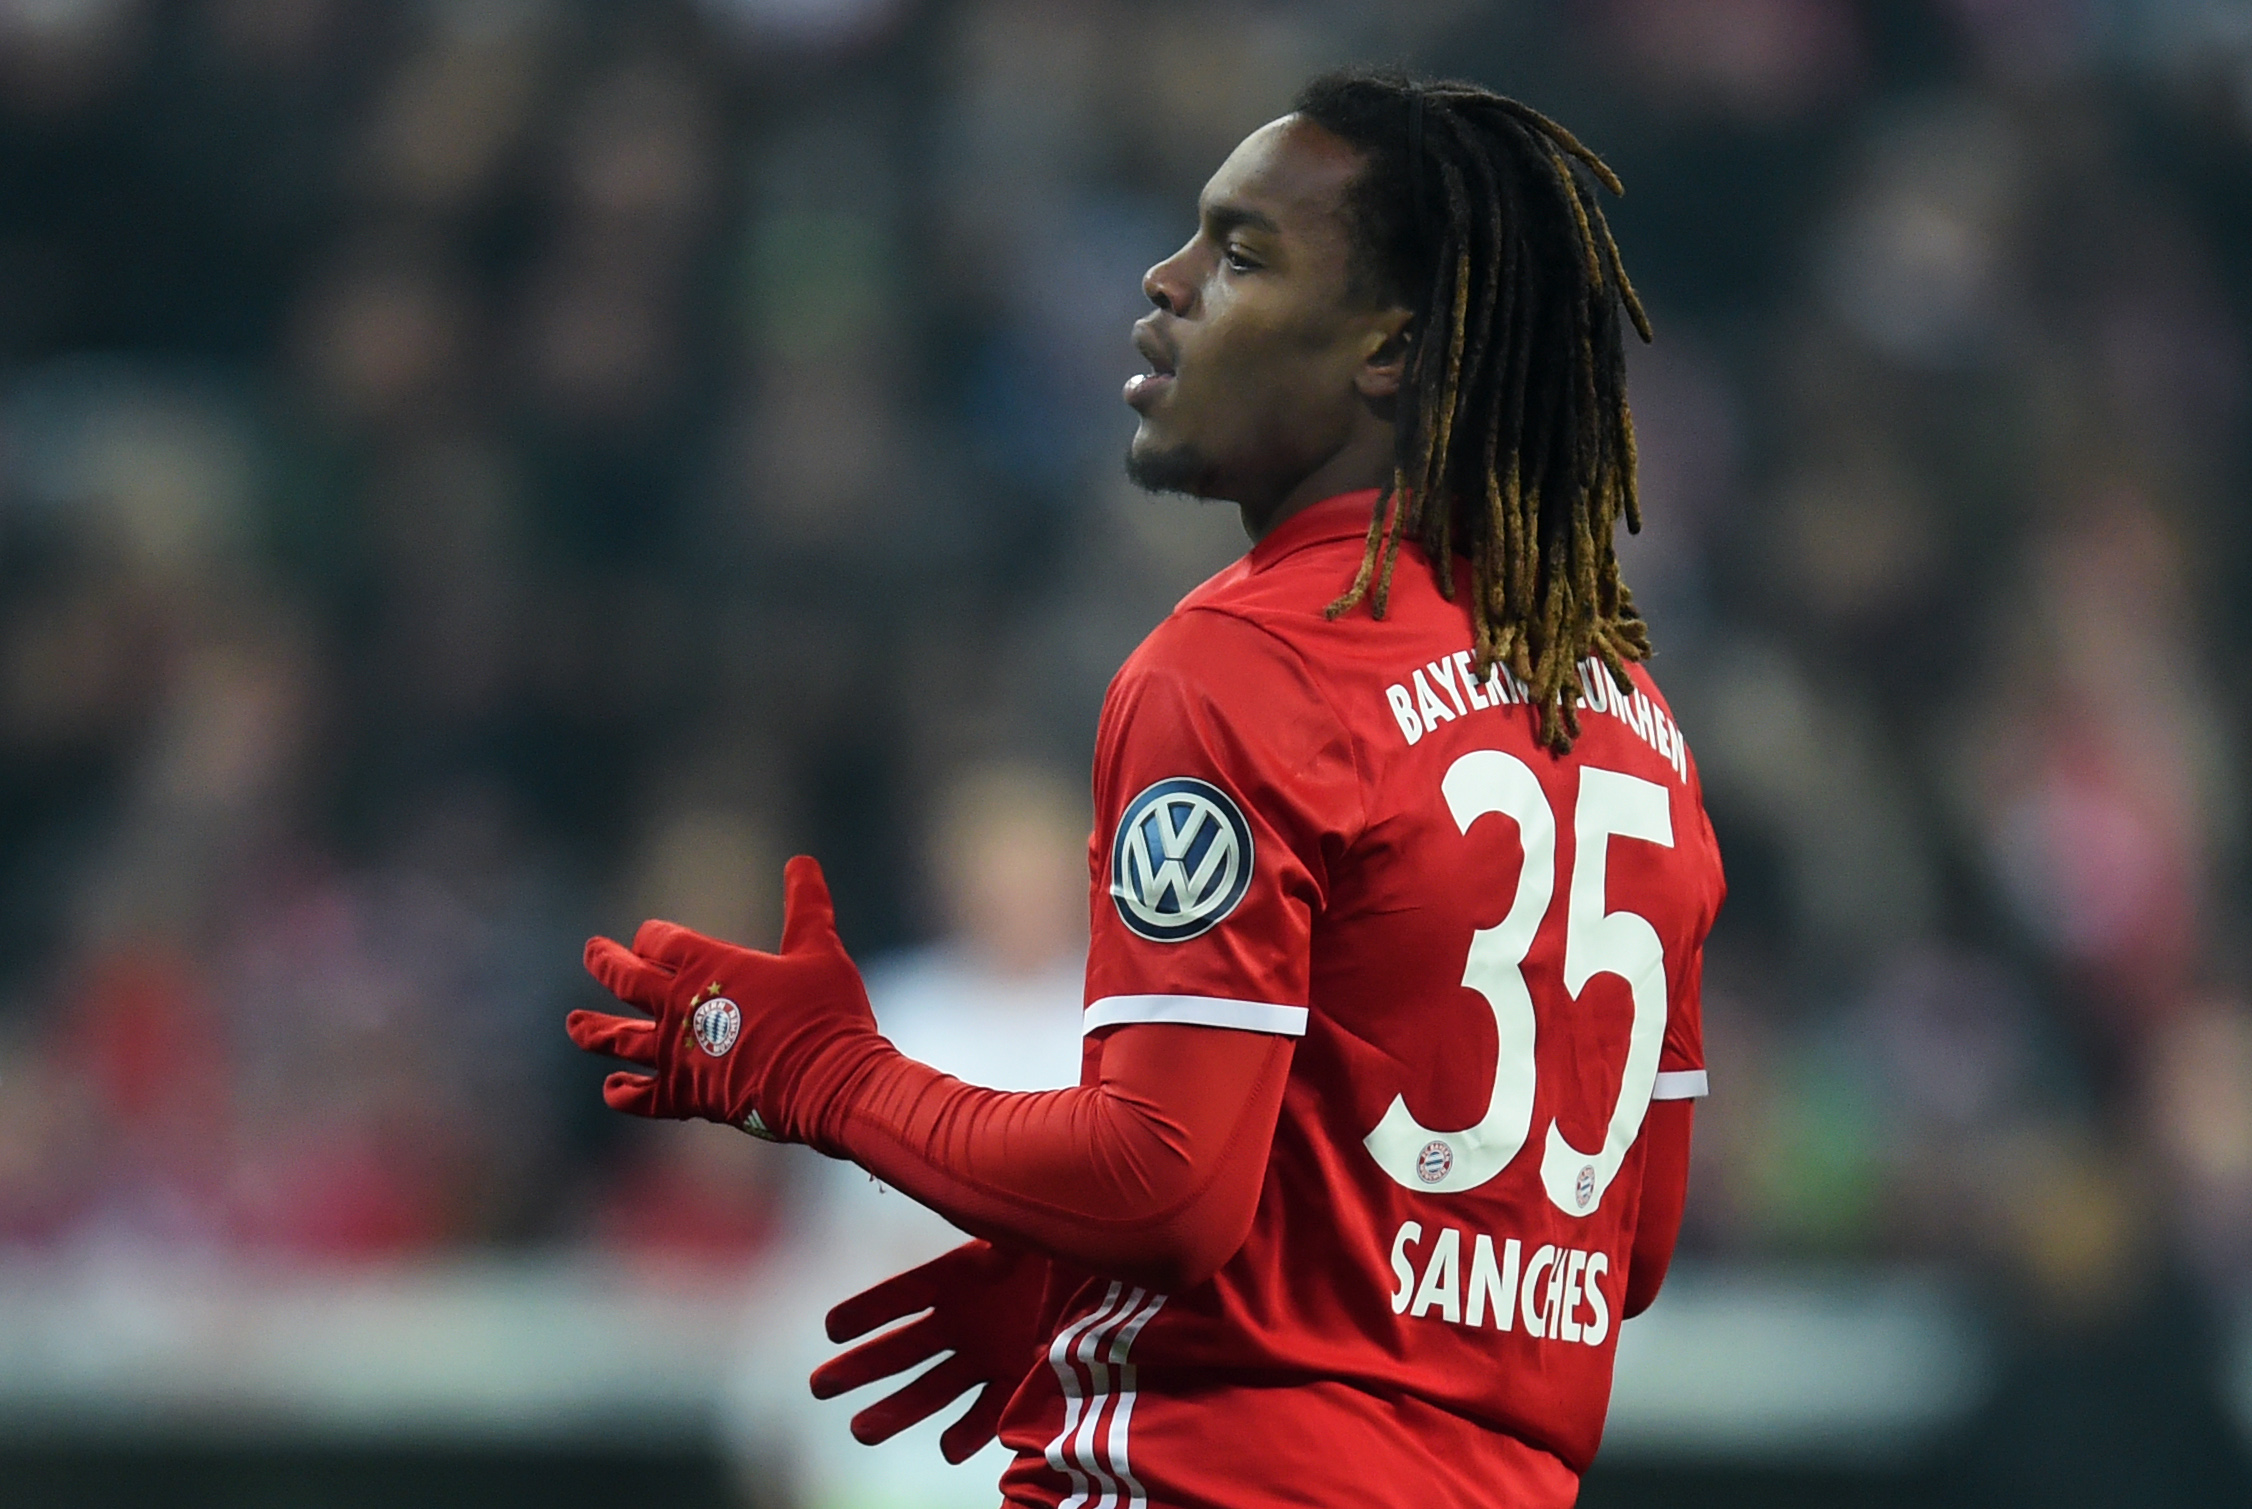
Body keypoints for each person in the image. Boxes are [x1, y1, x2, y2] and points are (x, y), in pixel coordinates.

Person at [567, 66, 1723, 1509]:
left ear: (1388, 349)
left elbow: (1164, 1180)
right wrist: (1069, 1269)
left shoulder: (1245, 661)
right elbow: (1634, 1238)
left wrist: (822, 1075)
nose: (1167, 282)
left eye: (1240, 254)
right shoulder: (1634, 719)